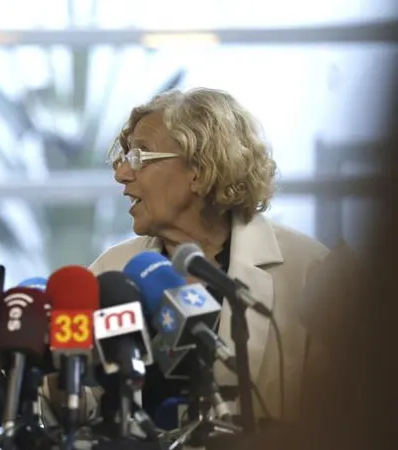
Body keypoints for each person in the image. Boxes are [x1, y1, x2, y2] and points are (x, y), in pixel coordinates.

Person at [89, 87, 329, 426]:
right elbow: (82, 401)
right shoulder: (109, 274)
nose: (122, 173)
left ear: (199, 170)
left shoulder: (308, 270)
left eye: (140, 156)